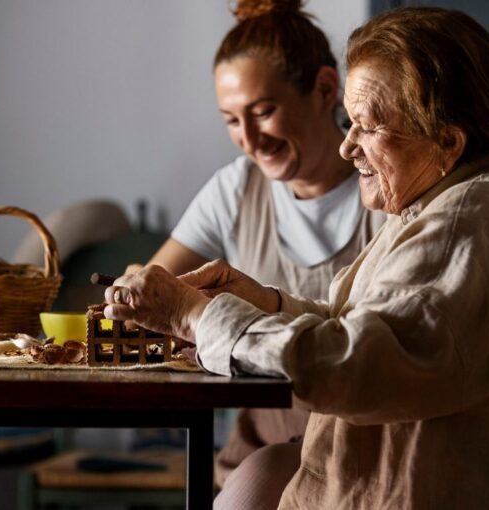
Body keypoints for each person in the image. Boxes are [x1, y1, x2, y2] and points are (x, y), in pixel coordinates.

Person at [106, 6, 489, 510]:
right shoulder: (449, 203)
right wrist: (264, 302)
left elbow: (355, 366)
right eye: (348, 124)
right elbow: (372, 329)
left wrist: (191, 314)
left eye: (368, 127)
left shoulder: (466, 222)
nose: (348, 147)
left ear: (447, 141)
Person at [126, 0, 386, 489]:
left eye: (264, 112)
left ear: (325, 89)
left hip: (365, 458)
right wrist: (138, 289)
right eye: (230, 120)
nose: (248, 139)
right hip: (255, 453)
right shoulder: (236, 188)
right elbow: (158, 283)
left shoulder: (385, 187)